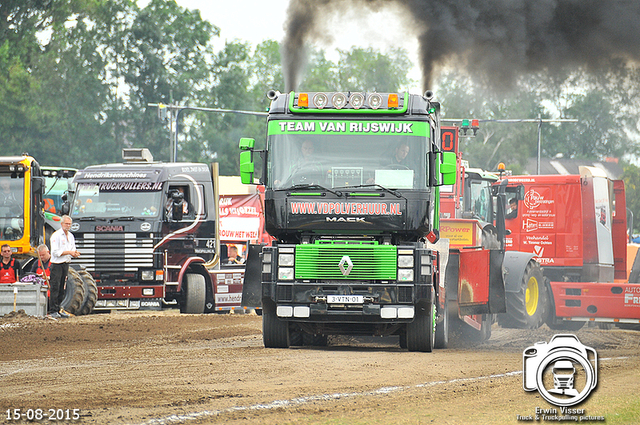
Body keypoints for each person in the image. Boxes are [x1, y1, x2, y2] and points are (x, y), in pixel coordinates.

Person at [49, 215, 80, 318]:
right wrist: (70, 252)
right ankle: (53, 310)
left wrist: (74, 253)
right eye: (66, 223)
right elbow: (55, 252)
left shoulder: (71, 236)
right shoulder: (56, 235)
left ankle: (59, 308)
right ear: (61, 224)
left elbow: (72, 248)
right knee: (55, 287)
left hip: (66, 263)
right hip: (57, 264)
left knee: (62, 287)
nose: (68, 226)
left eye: (69, 224)